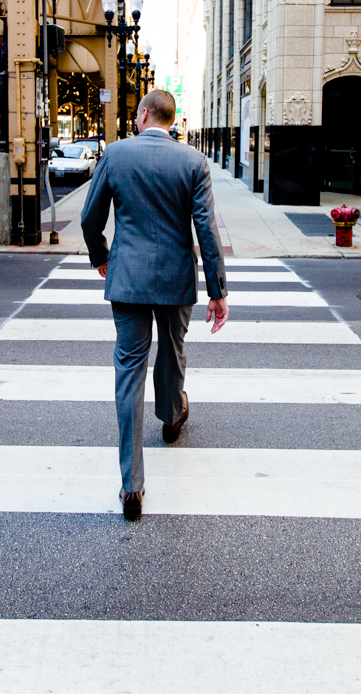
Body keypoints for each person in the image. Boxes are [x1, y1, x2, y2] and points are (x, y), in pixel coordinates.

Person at [80, 89, 228, 521]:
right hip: (176, 276)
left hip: (127, 276)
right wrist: (217, 289)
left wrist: (101, 257)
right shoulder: (193, 162)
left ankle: (132, 485)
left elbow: (91, 217)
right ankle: (171, 416)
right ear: (172, 119)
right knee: (173, 347)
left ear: (144, 114)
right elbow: (206, 228)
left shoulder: (116, 155)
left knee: (128, 367)